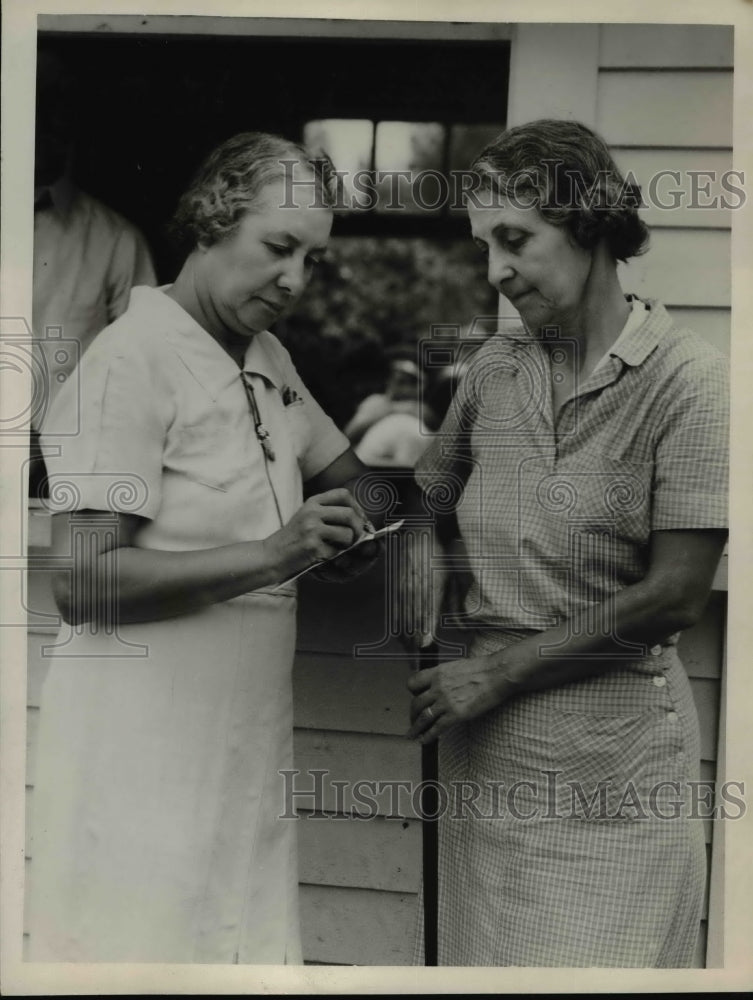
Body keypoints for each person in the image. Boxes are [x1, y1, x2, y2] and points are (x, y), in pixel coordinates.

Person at [26, 132, 380, 963]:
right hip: (140, 763)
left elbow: (354, 480)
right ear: (214, 219)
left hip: (240, 755)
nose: (294, 280)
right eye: (279, 247)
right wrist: (277, 553)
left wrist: (362, 527)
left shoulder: (264, 357)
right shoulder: (129, 362)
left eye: (312, 260)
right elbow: (82, 584)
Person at [404, 120, 728, 967]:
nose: (494, 270)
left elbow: (674, 595)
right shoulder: (495, 367)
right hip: (487, 755)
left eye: (514, 240)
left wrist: (495, 672)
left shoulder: (688, 382)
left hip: (610, 767)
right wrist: (421, 562)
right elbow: (428, 494)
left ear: (588, 225)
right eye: (484, 245)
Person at [30, 48, 156, 496]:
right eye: (38, 102)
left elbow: (143, 374)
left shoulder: (117, 241)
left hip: (68, 478)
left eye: (60, 106)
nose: (48, 122)